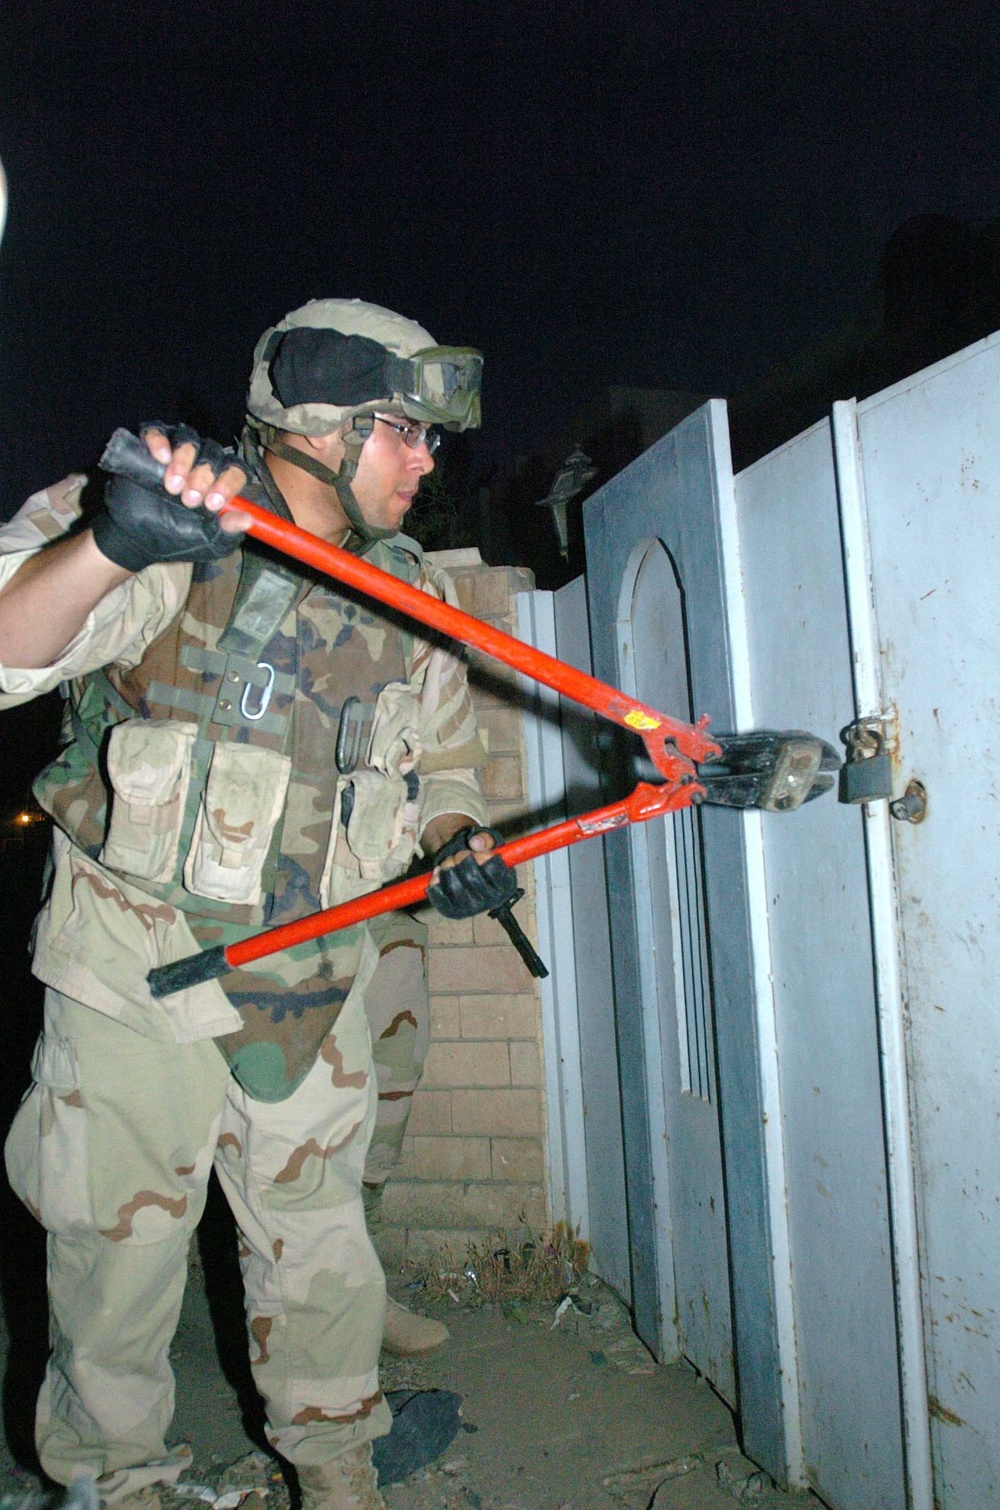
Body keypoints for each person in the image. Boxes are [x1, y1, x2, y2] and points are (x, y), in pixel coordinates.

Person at [0, 298, 517, 1510]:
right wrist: (111, 546)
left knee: (320, 1245)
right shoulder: (178, 513)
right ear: (321, 421)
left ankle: (337, 1463)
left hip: (311, 975)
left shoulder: (406, 586)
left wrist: (457, 843)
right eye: (404, 428)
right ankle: (118, 1482)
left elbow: (442, 765)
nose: (428, 458)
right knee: (115, 1257)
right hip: (140, 965)